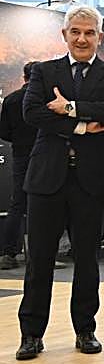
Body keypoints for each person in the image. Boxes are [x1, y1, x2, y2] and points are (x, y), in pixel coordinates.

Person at [15, 5, 104, 361]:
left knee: (86, 258)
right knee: (39, 258)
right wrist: (82, 124)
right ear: (64, 35)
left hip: (91, 181)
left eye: (89, 32)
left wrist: (68, 107)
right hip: (48, 178)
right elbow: (31, 112)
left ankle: (86, 329)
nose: (82, 38)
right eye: (75, 32)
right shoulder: (43, 71)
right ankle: (32, 334)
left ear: (99, 37)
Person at [0, 61, 37, 269]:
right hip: (43, 156)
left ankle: (9, 253)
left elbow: (3, 131)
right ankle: (37, 255)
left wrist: (18, 139)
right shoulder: (44, 100)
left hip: (20, 154)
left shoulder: (11, 99)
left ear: (24, 77)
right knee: (39, 204)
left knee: (17, 204)